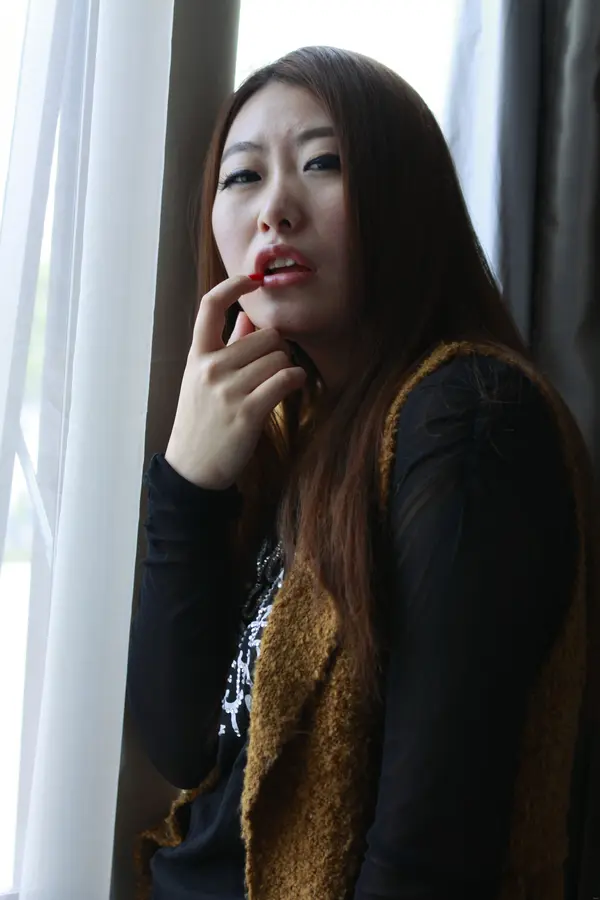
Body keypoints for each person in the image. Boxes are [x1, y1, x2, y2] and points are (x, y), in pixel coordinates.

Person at [126, 46, 593, 900]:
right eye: (243, 177)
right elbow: (184, 745)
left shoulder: (470, 422)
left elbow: (429, 859)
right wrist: (189, 484)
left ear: (406, 200)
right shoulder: (289, 431)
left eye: (322, 163)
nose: (275, 210)